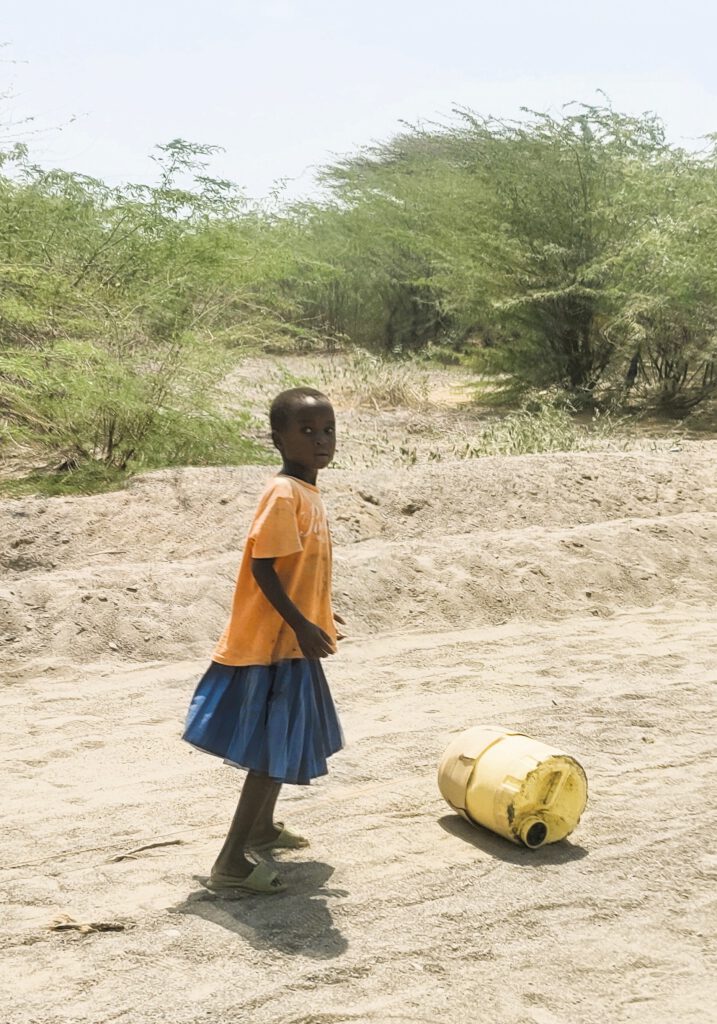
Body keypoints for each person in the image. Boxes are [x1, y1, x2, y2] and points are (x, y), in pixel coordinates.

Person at [182, 386, 344, 895]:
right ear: (278, 439)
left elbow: (298, 571)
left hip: (291, 641)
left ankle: (260, 829)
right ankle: (230, 861)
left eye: (328, 430)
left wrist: (317, 614)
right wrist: (299, 623)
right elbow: (263, 568)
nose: (321, 440)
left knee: (281, 741)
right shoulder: (283, 494)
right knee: (271, 751)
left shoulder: (306, 493)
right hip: (273, 647)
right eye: (307, 431)